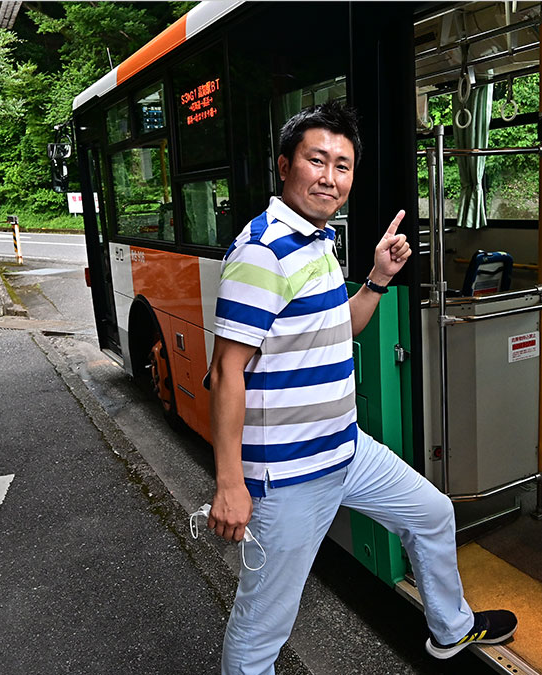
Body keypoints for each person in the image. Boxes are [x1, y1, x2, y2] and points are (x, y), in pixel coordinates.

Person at [206, 101, 517, 674]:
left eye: (343, 166)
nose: (330, 177)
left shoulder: (318, 241)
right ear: (284, 166)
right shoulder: (262, 252)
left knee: (431, 513)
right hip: (288, 474)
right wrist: (230, 484)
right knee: (261, 629)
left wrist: (376, 280)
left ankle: (450, 629)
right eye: (316, 160)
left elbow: (340, 327)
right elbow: (227, 371)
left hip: (346, 450)